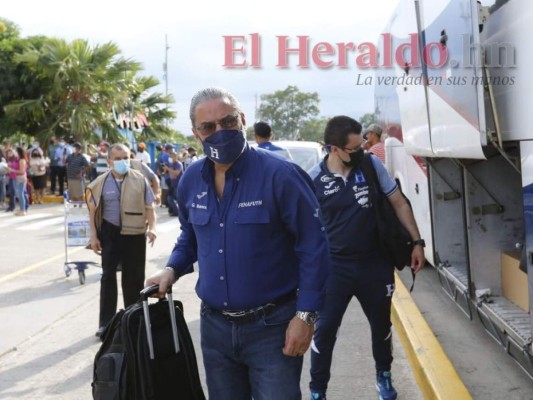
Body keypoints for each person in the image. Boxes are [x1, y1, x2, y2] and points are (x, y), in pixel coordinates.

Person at [145, 87, 330, 400]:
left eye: (228, 122)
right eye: (208, 127)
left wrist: (306, 317)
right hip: (215, 329)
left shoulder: (281, 176)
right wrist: (172, 269)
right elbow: (191, 235)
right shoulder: (192, 179)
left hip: (273, 328)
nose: (220, 131)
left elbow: (314, 248)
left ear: (242, 120)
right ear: (196, 133)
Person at [307, 116, 425, 400]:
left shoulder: (371, 165)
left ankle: (383, 375)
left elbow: (398, 202)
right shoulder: (313, 179)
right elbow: (302, 228)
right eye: (354, 148)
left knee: (381, 327)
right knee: (324, 333)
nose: (361, 151)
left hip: (374, 264)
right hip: (335, 269)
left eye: (362, 144)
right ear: (333, 149)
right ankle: (317, 390)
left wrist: (417, 242)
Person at [86, 143, 157, 338]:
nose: (121, 162)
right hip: (110, 233)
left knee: (133, 278)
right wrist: (93, 237)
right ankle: (106, 324)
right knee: (108, 277)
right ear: (109, 161)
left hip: (134, 233)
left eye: (125, 157)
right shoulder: (98, 184)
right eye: (117, 159)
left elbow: (150, 208)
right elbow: (92, 213)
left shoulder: (139, 180)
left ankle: (134, 320)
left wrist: (153, 228)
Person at [8, 146, 29, 216]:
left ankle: (23, 210)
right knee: (19, 194)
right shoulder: (18, 159)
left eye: (16, 151)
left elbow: (21, 171)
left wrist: (12, 170)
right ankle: (21, 209)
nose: (15, 152)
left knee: (21, 194)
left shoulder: (22, 160)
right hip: (18, 178)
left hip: (21, 178)